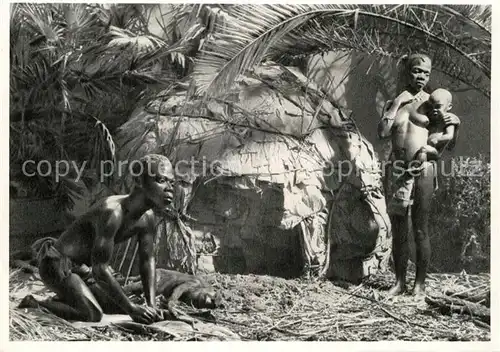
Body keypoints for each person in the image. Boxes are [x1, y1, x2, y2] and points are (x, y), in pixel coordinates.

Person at [19, 154, 176, 324]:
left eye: (172, 183)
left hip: (82, 270)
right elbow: (100, 269)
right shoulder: (112, 212)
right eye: (161, 180)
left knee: (117, 306)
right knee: (93, 314)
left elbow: (147, 260)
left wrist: (151, 305)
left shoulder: (148, 217)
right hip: (56, 265)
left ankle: (70, 299)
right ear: (139, 180)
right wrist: (131, 309)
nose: (170, 188)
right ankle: (36, 304)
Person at [377, 54, 460, 297]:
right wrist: (395, 104)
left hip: (424, 169)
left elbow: (448, 142)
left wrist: (455, 127)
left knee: (420, 228)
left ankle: (419, 284)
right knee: (399, 228)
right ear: (406, 72)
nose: (421, 76)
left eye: (426, 72)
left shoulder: (434, 102)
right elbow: (383, 132)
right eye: (416, 71)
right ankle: (399, 282)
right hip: (398, 170)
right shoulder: (395, 102)